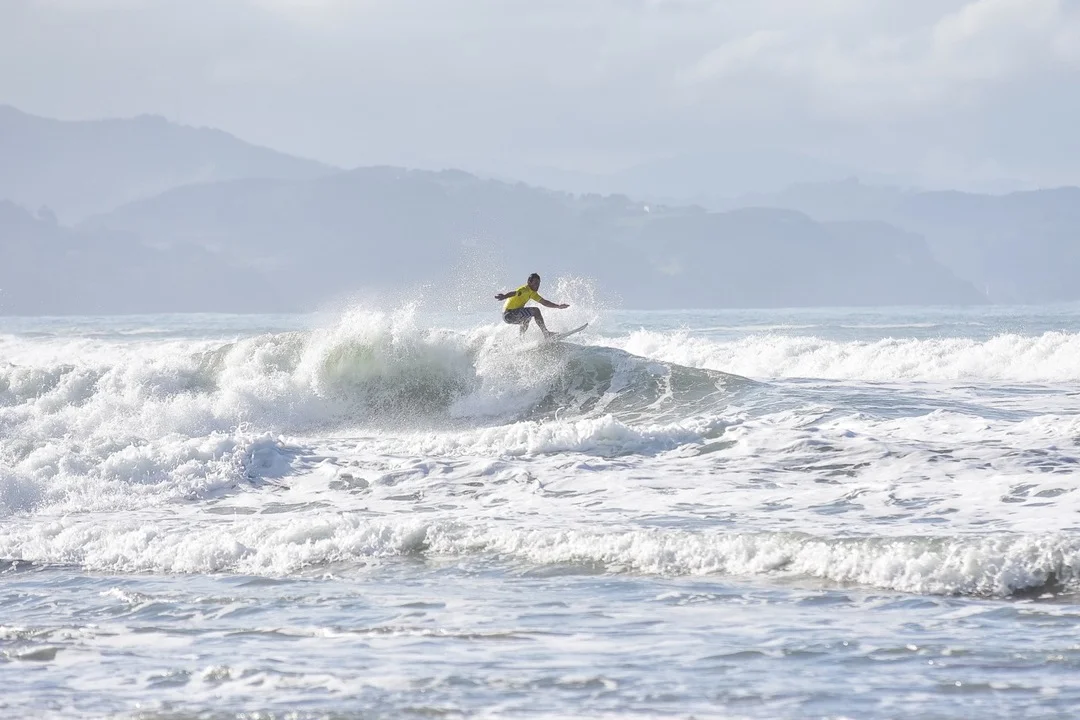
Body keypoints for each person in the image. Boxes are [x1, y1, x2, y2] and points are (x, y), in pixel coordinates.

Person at [495, 273, 570, 338]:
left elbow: (544, 302)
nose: (537, 286)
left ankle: (521, 339)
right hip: (509, 314)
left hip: (508, 316)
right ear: (529, 282)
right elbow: (514, 293)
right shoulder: (524, 289)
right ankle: (546, 333)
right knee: (535, 311)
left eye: (538, 283)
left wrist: (558, 306)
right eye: (535, 283)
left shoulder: (533, 293)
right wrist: (504, 296)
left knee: (527, 319)